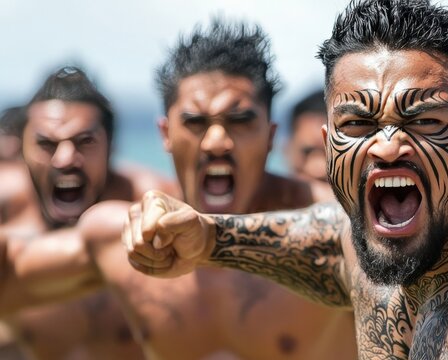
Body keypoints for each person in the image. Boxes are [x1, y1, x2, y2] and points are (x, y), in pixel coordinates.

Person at [124, 0, 448, 359]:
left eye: (425, 122)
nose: (387, 145)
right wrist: (210, 236)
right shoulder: (372, 246)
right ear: (329, 145)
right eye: (357, 124)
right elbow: (324, 242)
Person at [2, 20, 357, 360]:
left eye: (240, 120)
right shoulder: (128, 235)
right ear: (165, 135)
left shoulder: (339, 226)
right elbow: (12, 270)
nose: (217, 141)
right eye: (195, 122)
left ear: (270, 136)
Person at [0, 66, 177, 359]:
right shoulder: (7, 211)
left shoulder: (153, 206)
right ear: (21, 151)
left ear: (111, 147)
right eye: (46, 143)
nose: (66, 158)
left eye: (85, 142)